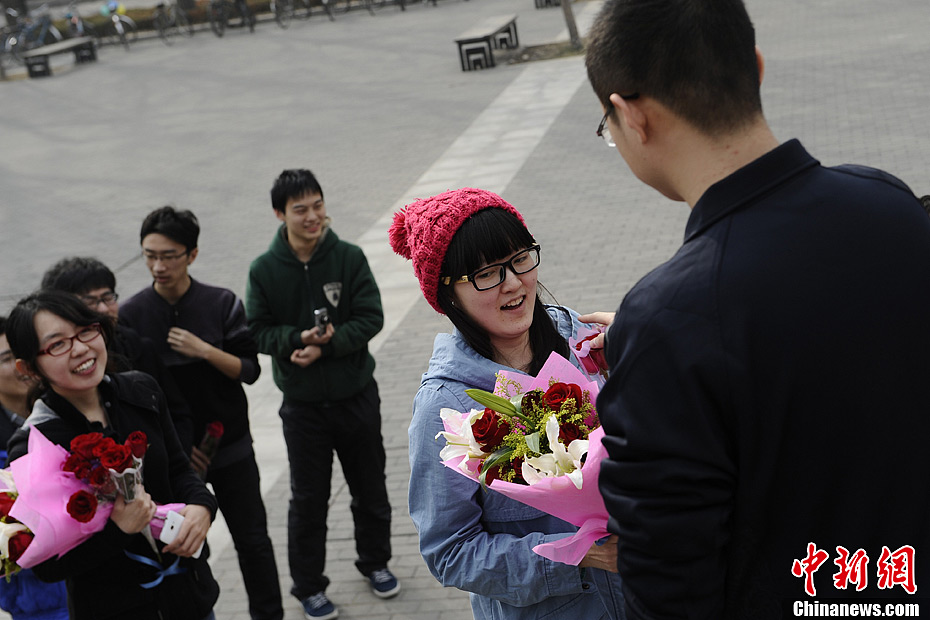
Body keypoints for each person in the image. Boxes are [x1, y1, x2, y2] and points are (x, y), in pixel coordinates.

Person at [584, 0, 930, 617]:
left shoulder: (670, 317)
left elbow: (670, 589)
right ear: (757, 67)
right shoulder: (892, 204)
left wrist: (657, 343)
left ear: (631, 115)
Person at [388, 188, 625, 620]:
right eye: (486, 273)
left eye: (520, 259)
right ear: (448, 294)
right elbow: (450, 551)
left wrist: (644, 348)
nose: (513, 282)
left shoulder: (583, 340)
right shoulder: (448, 406)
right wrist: (577, 556)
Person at [5, 290, 218, 620]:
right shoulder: (36, 443)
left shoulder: (140, 391)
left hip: (189, 595)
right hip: (114, 609)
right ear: (29, 367)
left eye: (85, 331)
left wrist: (203, 507)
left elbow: (178, 468)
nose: (80, 348)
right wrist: (118, 530)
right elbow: (47, 567)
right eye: (58, 344)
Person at [246, 169, 398, 620]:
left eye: (317, 205)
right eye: (300, 210)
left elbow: (371, 317)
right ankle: (309, 587)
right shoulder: (264, 269)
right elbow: (257, 330)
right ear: (280, 214)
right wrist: (296, 340)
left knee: (370, 488)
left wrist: (328, 342)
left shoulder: (348, 257)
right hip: (304, 408)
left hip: (356, 396)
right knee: (308, 501)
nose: (313, 216)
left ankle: (377, 563)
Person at [119, 206, 283, 620]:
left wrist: (204, 350)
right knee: (188, 546)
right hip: (175, 463)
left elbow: (249, 369)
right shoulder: (133, 317)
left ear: (192, 255)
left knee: (253, 542)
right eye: (149, 255)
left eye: (168, 255)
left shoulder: (220, 303)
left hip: (231, 449)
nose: (158, 266)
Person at [41, 256, 194, 455]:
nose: (103, 309)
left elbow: (177, 412)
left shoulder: (138, 347)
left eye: (107, 297)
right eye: (90, 302)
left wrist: (179, 455)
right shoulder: (52, 369)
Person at [0, 316, 70, 620]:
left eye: (23, 354)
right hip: (35, 598)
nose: (20, 366)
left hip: (95, 579)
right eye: (5, 359)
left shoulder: (67, 409)